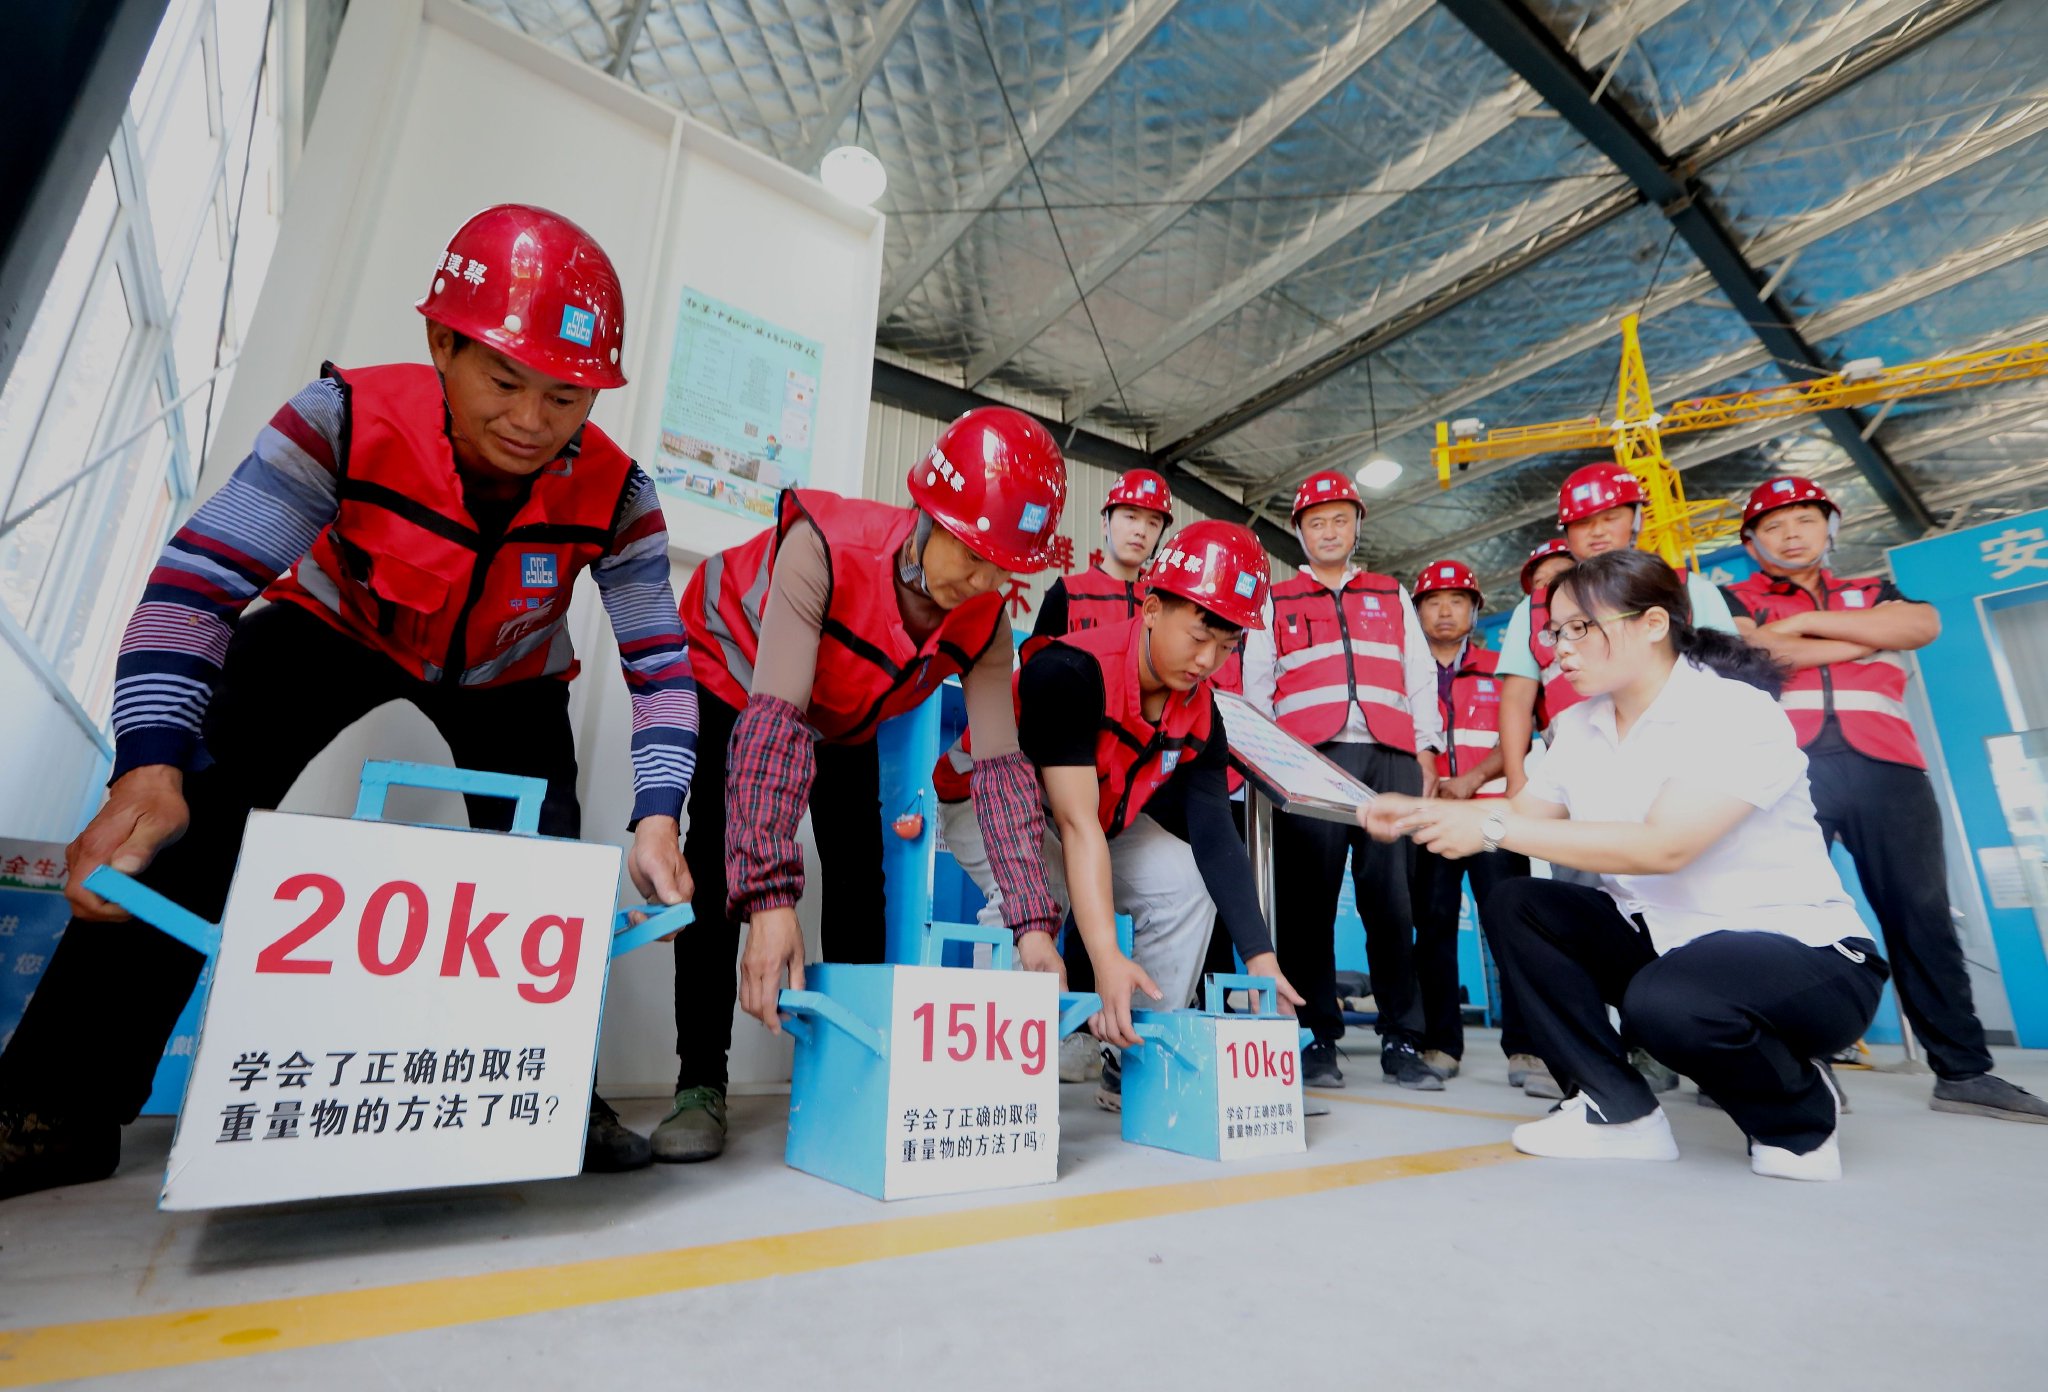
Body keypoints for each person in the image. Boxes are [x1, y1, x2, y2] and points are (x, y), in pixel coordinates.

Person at [0, 205, 699, 1198]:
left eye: (566, 397)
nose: (532, 422)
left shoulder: (621, 496)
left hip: (508, 677)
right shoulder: (341, 418)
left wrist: (660, 811)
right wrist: (149, 760)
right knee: (190, 797)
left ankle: (547, 1097)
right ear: (442, 343)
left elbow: (660, 666)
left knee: (544, 868)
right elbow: (199, 583)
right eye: (505, 382)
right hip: (333, 629)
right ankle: (58, 1103)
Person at [1369, 550, 1891, 1181]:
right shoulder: (1577, 727)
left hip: (1806, 959)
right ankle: (1616, 1110)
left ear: (1652, 623)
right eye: (1554, 632)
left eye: (1580, 628)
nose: (1561, 649)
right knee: (1519, 904)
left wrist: (1491, 826)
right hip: (1667, 946)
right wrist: (1416, 813)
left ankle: (1800, 1117)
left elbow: (1664, 846)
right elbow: (1522, 813)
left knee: (1663, 1003)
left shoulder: (1734, 711)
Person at [668, 408, 1071, 1161]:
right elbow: (775, 725)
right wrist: (769, 898)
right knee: (723, 853)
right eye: (975, 556)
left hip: (843, 709)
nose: (986, 583)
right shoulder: (822, 547)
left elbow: (1001, 776)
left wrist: (1033, 926)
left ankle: (847, 1073)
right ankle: (699, 1081)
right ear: (930, 515)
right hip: (738, 670)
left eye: (1006, 569)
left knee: (860, 868)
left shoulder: (985, 622)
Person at [1725, 477, 2047, 1123]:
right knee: (1784, 918)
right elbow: (1754, 647)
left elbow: (1920, 624)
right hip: (1787, 771)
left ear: (1830, 527)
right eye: (1774, 526)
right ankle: (1792, 1064)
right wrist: (1864, 639)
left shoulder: (1873, 590)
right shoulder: (1738, 599)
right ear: (1752, 544)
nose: (1791, 534)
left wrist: (1806, 622)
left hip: (1888, 767)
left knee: (1921, 915)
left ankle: (1963, 1071)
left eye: (1804, 520)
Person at [1016, 521, 1300, 1111]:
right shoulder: (1071, 670)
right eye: (1199, 636)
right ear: (1150, 608)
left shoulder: (1201, 712)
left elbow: (1215, 836)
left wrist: (1261, 957)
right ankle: (1005, 1084)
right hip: (1006, 811)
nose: (1208, 660)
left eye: (1227, 646)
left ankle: (1136, 1057)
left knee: (1182, 879)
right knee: (1031, 909)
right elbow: (1072, 824)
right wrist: (1105, 958)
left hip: (1096, 820)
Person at [931, 467, 1176, 1082]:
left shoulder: (1169, 610)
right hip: (1037, 783)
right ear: (1106, 522)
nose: (1140, 531)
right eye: (1130, 517)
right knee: (1042, 892)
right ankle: (992, 1067)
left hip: (1109, 795)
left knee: (1114, 887)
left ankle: (1105, 1044)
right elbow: (1031, 695)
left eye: (1153, 524)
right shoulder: (1068, 592)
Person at [1243, 470, 1446, 1091]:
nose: (1329, 532)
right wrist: (1271, 764)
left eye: (1339, 520)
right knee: (1308, 903)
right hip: (1311, 764)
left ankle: (1402, 1039)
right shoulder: (1275, 599)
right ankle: (1316, 1038)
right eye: (1316, 523)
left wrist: (1427, 749)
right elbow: (1256, 685)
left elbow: (1419, 675)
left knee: (1391, 902)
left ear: (1357, 526)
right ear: (1299, 533)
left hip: (1389, 759)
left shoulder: (1391, 593)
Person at [1495, 464, 1738, 800]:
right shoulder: (1535, 609)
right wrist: (1516, 778)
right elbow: (1516, 700)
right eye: (1583, 523)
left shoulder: (1687, 589)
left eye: (1611, 518)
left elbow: (1731, 672)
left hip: (1685, 759)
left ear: (1636, 520)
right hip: (1576, 770)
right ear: (1566, 533)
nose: (1598, 532)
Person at [1408, 560, 1534, 1084]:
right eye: (1433, 601)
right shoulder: (1404, 672)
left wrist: (1471, 780)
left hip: (1493, 812)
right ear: (1416, 612)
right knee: (1433, 929)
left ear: (1475, 612)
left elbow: (1517, 739)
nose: (1444, 610)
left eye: (1457, 600)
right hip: (1430, 817)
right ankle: (1441, 1043)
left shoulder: (1503, 670)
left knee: (1510, 927)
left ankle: (1526, 1047)